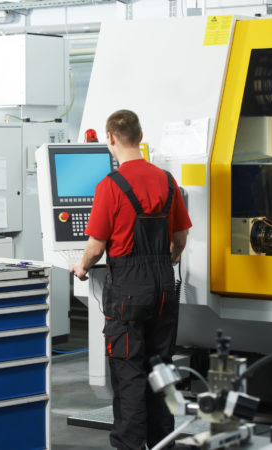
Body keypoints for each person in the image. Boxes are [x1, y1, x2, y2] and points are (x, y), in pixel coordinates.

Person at [71, 110, 191, 450]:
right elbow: (180, 238)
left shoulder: (110, 186)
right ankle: (162, 442)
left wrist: (81, 266)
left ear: (110, 138)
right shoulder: (167, 181)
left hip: (128, 291)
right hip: (165, 287)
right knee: (160, 370)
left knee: (129, 374)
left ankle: (129, 445)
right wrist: (168, 257)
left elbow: (95, 247)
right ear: (139, 135)